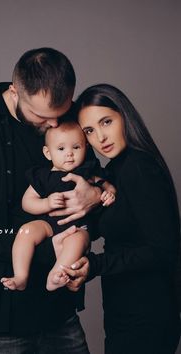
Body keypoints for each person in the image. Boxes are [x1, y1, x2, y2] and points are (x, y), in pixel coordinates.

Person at [0, 48, 104, 354]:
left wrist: (94, 198)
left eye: (62, 112)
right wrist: (33, 244)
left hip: (60, 313)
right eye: (42, 117)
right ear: (14, 91)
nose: (55, 125)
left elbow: (91, 205)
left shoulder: (66, 123)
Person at [62, 84, 181, 354]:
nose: (100, 137)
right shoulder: (115, 169)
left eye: (106, 122)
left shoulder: (138, 166)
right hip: (124, 307)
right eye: (89, 131)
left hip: (147, 313)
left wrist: (95, 264)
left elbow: (163, 249)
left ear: (124, 116)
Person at [1, 119, 115, 292]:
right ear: (48, 153)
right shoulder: (42, 176)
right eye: (61, 149)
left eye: (76, 147)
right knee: (26, 231)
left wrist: (107, 193)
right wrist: (46, 203)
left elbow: (107, 185)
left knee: (78, 240)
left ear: (85, 147)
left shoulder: (87, 171)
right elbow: (27, 202)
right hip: (48, 224)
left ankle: (56, 273)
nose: (69, 154)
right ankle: (21, 276)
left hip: (78, 228)